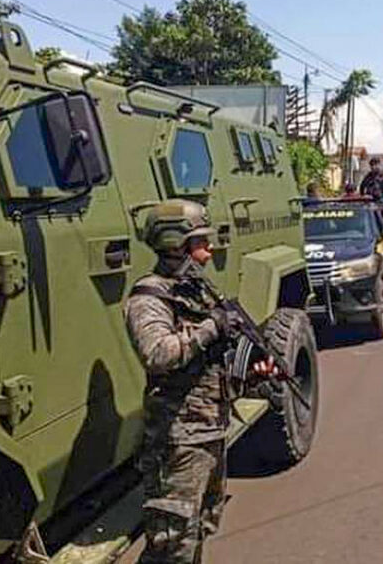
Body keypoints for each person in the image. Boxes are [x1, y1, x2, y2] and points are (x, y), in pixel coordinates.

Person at [124, 199, 274, 563]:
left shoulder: (198, 292)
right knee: (171, 543)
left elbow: (210, 368)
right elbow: (158, 354)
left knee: (198, 529)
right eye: (201, 243)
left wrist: (249, 376)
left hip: (210, 430)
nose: (209, 252)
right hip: (179, 440)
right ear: (176, 244)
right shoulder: (150, 296)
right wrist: (212, 327)